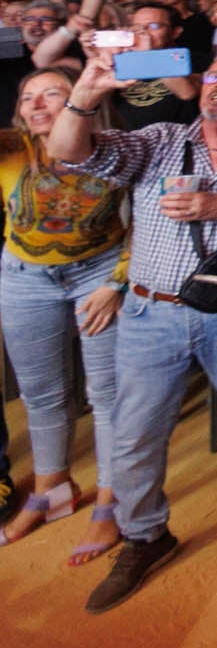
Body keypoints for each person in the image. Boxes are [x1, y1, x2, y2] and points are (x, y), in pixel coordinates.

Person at [50, 49, 217, 611]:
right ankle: (144, 535)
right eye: (213, 75)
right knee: (134, 433)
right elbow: (69, 152)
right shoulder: (159, 139)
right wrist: (86, 90)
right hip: (149, 310)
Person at [0, 69, 125, 562]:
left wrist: (117, 282)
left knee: (108, 394)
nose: (36, 103)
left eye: (51, 92)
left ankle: (112, 500)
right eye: (27, 95)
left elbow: (152, 221)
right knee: (41, 395)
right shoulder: (9, 148)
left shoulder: (118, 148)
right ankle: (53, 490)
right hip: (24, 276)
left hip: (99, 274)